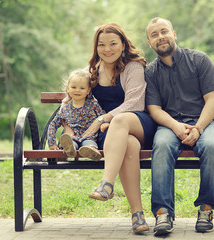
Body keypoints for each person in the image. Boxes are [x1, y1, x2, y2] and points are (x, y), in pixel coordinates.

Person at [65, 23, 156, 233]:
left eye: (113, 44)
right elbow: (75, 100)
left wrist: (103, 119)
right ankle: (138, 215)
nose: (108, 49)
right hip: (111, 133)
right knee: (129, 146)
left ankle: (107, 183)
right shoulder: (93, 72)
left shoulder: (133, 67)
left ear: (123, 44)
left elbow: (135, 102)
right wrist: (71, 126)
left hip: (139, 122)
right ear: (96, 47)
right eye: (102, 45)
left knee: (121, 121)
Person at [145, 17, 214, 236]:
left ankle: (206, 209)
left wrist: (198, 128)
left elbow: (212, 100)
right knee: (161, 147)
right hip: (170, 126)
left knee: (212, 146)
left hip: (205, 123)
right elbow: (154, 109)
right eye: (154, 35)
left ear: (174, 34)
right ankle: (163, 213)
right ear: (150, 43)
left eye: (164, 31)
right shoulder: (150, 72)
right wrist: (176, 127)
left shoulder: (200, 60)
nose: (160, 37)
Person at [47, 69, 104, 161]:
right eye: (73, 87)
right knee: (70, 142)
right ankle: (69, 149)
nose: (77, 90)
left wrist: (104, 124)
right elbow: (53, 124)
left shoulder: (93, 105)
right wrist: (52, 143)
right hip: (72, 137)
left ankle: (92, 152)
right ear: (68, 88)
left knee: (89, 144)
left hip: (89, 137)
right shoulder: (65, 109)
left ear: (88, 90)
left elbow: (102, 116)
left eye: (82, 88)